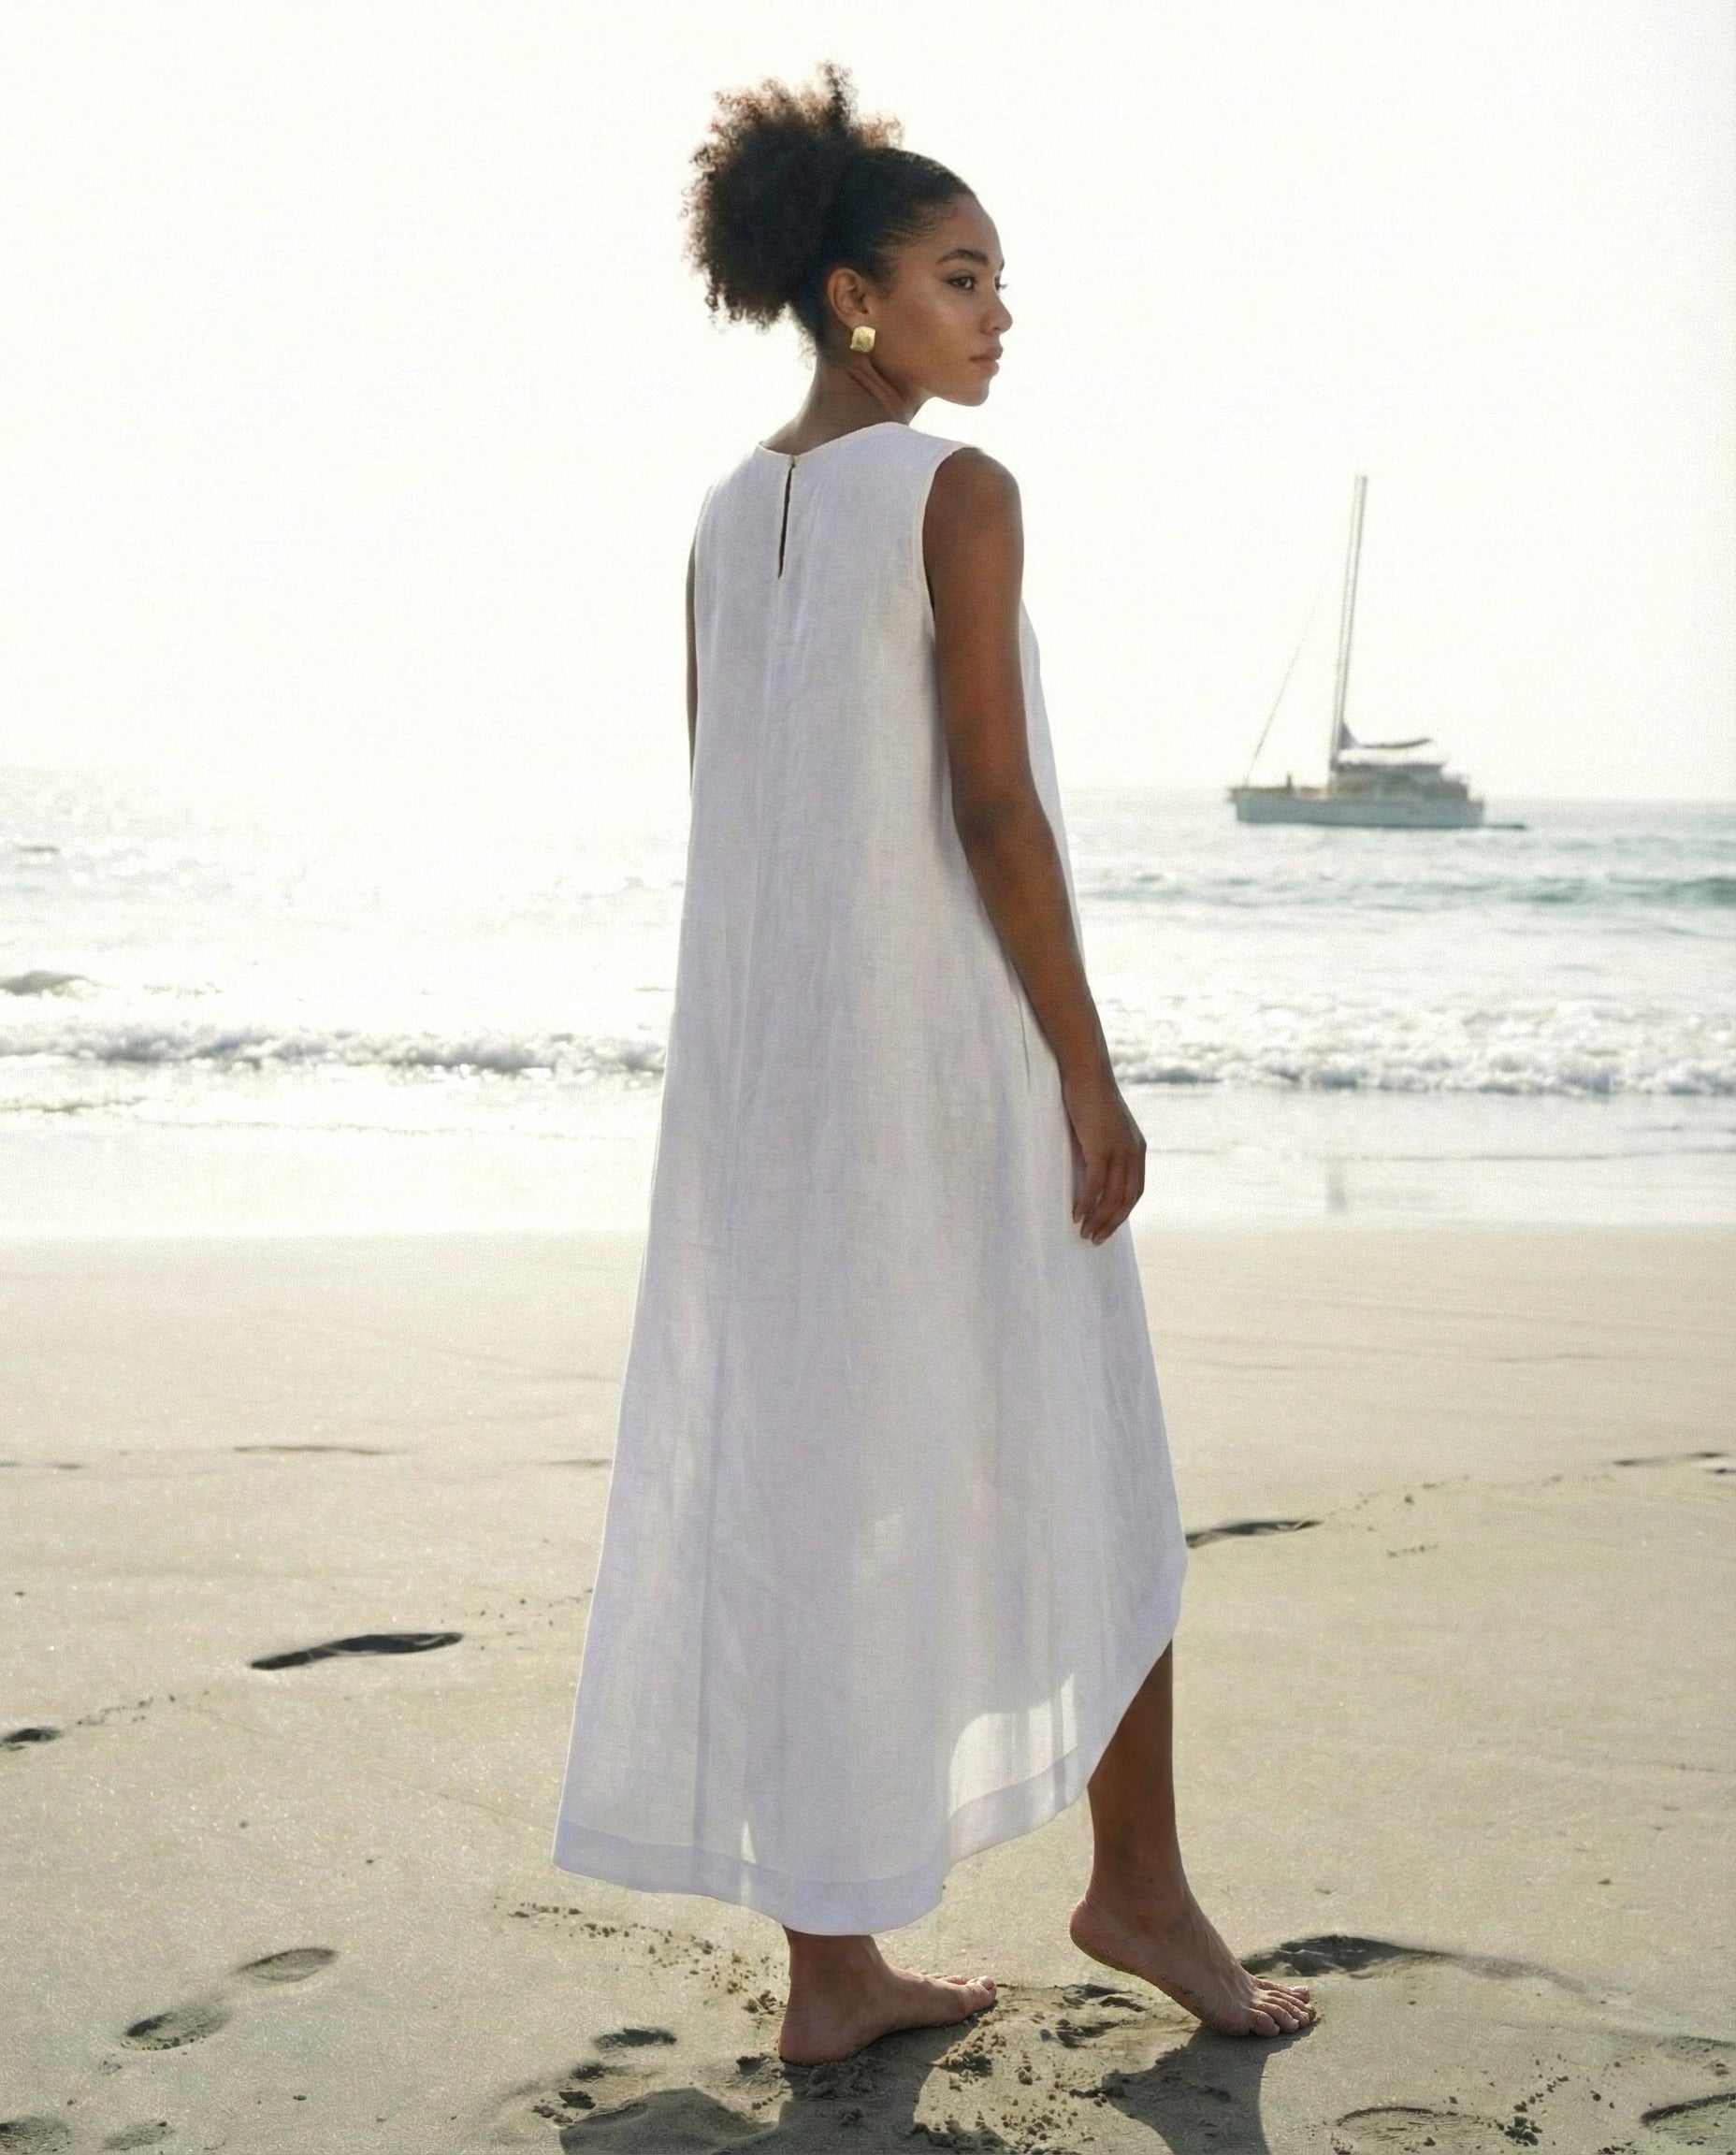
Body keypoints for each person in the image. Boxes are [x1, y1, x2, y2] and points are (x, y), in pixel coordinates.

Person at [551, 63, 1316, 2065]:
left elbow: (745, 829)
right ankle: (1136, 1885)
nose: (997, 313)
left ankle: (832, 1974)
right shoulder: (959, 492)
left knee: (820, 1481)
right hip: (943, 1076)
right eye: (961, 276)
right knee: (1103, 1464)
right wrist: (1086, 1066)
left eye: (1000, 279)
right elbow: (989, 807)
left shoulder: (726, 521)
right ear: (850, 298)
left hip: (770, 1097)